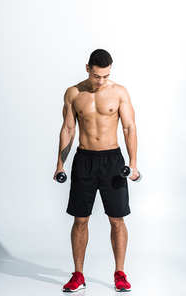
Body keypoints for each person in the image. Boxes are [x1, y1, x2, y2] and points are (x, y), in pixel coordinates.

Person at [53, 49, 139, 292]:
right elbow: (68, 129)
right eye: (97, 76)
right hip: (84, 160)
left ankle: (120, 273)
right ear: (87, 68)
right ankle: (78, 275)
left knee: (117, 218)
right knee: (80, 219)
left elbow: (129, 127)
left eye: (106, 76)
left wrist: (132, 163)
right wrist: (60, 163)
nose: (101, 81)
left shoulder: (119, 92)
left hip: (113, 162)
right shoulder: (73, 93)